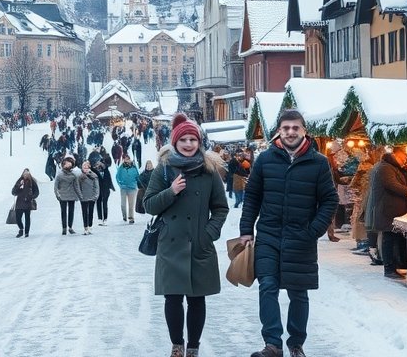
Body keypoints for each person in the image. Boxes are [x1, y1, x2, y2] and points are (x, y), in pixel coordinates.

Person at [239, 110, 337, 357]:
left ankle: (296, 344)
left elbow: (329, 200)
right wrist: (246, 230)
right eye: (286, 128)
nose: (291, 132)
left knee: (298, 291)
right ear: (279, 132)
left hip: (301, 237)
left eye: (295, 128)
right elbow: (252, 196)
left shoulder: (319, 163)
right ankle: (273, 344)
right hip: (269, 235)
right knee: (267, 286)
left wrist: (313, 230)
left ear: (304, 131)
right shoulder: (265, 159)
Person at [144, 113, 228, 357]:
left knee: (197, 300)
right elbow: (149, 205)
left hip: (199, 244)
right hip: (170, 245)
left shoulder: (209, 170)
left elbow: (221, 208)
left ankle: (193, 347)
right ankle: (177, 345)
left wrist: (209, 233)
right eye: (185, 139)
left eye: (194, 139)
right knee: (172, 299)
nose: (189, 144)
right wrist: (171, 191)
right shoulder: (164, 169)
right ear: (175, 142)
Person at [366, 145, 407, 279]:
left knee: (395, 238)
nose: (405, 160)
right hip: (387, 211)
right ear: (395, 155)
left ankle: (397, 266)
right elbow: (392, 184)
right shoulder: (385, 168)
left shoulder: (393, 167)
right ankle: (389, 268)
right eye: (402, 157)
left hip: (393, 211)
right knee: (389, 238)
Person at [54, 156, 81, 235]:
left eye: (70, 164)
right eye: (66, 164)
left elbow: (76, 186)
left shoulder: (74, 175)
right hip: (62, 195)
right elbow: (56, 186)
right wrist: (57, 194)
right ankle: (64, 227)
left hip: (71, 195)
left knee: (70, 211)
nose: (68, 165)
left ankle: (69, 227)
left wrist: (80, 195)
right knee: (64, 212)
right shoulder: (59, 175)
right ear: (63, 165)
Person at [12, 168, 40, 238]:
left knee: (27, 218)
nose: (25, 175)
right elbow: (13, 192)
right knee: (18, 218)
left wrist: (32, 197)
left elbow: (37, 191)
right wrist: (18, 186)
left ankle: (27, 232)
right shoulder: (19, 181)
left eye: (27, 173)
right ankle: (21, 229)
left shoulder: (32, 181)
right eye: (24, 173)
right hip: (19, 202)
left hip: (28, 202)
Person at [78, 160, 100, 234]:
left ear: (89, 167)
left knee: (90, 212)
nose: (85, 168)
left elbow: (96, 187)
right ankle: (85, 227)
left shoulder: (94, 176)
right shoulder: (80, 176)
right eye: (83, 166)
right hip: (83, 197)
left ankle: (90, 226)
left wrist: (96, 195)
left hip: (91, 196)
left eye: (86, 166)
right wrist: (80, 195)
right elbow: (78, 187)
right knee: (84, 212)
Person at [116, 156, 140, 223]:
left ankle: (131, 217)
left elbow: (138, 176)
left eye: (128, 159)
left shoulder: (134, 167)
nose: (127, 160)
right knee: (123, 204)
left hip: (132, 188)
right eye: (125, 159)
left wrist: (135, 183)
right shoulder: (121, 168)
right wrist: (120, 184)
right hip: (123, 188)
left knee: (131, 204)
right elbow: (117, 177)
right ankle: (124, 216)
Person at [95, 161, 115, 226]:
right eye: (97, 164)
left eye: (101, 164)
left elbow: (109, 179)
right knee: (98, 204)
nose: (99, 165)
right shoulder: (95, 172)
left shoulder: (106, 171)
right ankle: (100, 218)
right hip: (98, 190)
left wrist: (111, 187)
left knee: (105, 204)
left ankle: (105, 218)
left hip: (105, 189)